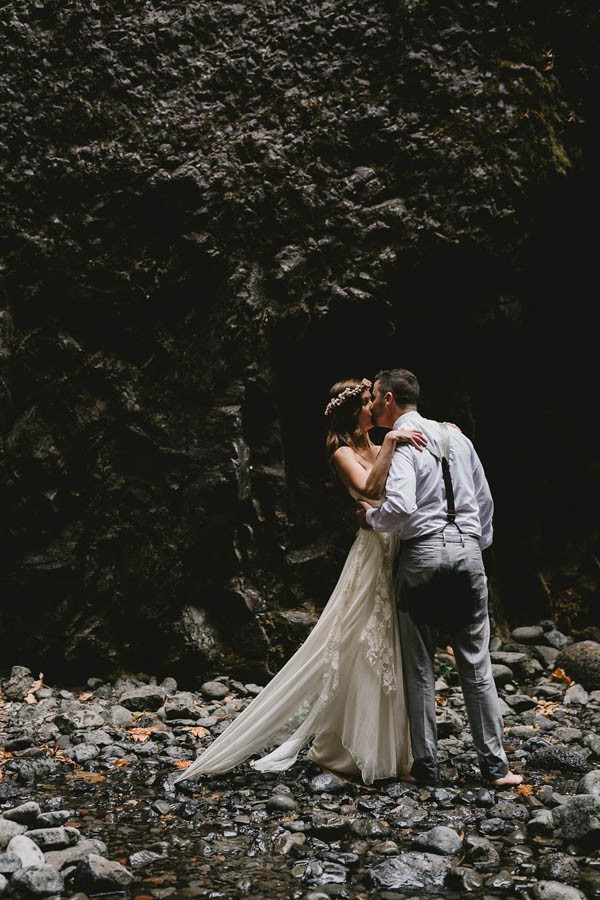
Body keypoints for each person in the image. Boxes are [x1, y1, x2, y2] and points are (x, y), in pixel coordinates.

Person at [173, 377, 427, 786]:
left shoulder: (378, 445)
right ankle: (348, 752)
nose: (372, 407)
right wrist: (394, 443)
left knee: (390, 645)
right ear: (352, 412)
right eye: (366, 402)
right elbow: (370, 487)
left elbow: (408, 479)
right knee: (364, 642)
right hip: (372, 552)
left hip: (396, 548)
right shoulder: (343, 452)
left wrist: (439, 435)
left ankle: (393, 748)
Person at [357, 368, 522, 788]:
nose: (372, 403)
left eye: (375, 397)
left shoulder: (406, 443)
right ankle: (497, 768)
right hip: (468, 551)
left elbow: (401, 505)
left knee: (419, 665)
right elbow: (485, 502)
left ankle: (427, 767)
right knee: (476, 663)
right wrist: (470, 545)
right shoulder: (459, 438)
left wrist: (371, 517)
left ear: (389, 399)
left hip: (423, 554)